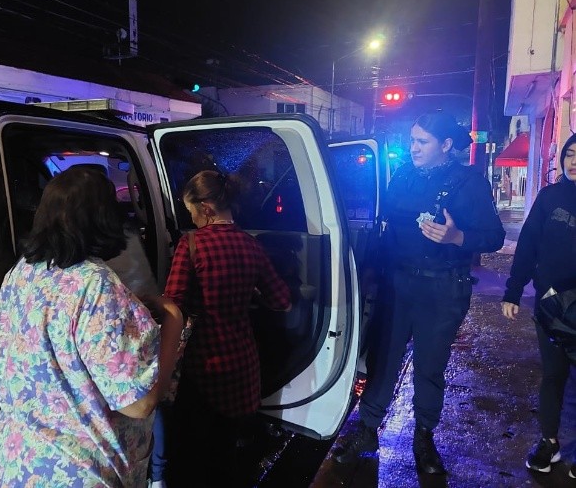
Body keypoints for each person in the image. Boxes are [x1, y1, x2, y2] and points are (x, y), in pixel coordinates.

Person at [0, 165, 182, 487]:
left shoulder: (22, 272)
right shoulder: (97, 285)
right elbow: (139, 403)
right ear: (104, 218)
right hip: (79, 472)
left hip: (21, 462)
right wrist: (174, 320)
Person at [334, 112, 506, 474]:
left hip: (442, 288)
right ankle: (367, 430)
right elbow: (385, 226)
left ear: (446, 145)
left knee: (429, 367)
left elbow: (494, 236)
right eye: (412, 140)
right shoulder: (403, 175)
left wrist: (457, 237)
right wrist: (370, 269)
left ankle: (424, 437)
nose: (414, 148)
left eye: (422, 141)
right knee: (383, 360)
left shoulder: (468, 182)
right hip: (397, 283)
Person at [163, 170, 292, 488]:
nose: (191, 218)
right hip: (242, 365)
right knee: (226, 451)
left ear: (206, 208)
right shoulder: (251, 245)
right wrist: (252, 292)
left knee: (194, 454)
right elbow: (282, 301)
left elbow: (173, 307)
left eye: (191, 210)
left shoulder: (190, 244)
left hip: (203, 367)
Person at [501, 133, 576, 476]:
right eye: (570, 154)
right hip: (551, 305)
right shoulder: (549, 197)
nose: (573, 161)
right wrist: (513, 291)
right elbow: (528, 245)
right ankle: (549, 442)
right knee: (553, 375)